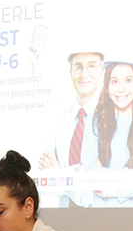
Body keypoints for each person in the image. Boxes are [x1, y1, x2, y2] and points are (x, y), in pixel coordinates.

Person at [39, 51, 104, 206]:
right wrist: (77, 174)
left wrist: (59, 176)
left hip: (107, 214)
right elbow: (43, 181)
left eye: (91, 66)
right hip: (63, 214)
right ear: (71, 72)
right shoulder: (58, 120)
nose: (84, 74)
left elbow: (99, 181)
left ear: (102, 71)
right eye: (78, 67)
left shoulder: (113, 118)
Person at [94, 62, 133, 170]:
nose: (120, 89)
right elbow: (89, 169)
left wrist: (102, 174)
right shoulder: (95, 120)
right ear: (107, 85)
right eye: (114, 82)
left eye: (128, 81)